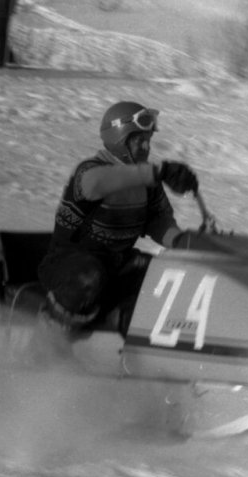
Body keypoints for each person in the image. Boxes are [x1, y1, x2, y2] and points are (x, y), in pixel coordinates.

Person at [35, 100, 199, 350]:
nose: (145, 146)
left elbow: (157, 220)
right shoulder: (91, 171)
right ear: (119, 138)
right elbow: (95, 185)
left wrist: (180, 240)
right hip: (68, 264)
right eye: (138, 139)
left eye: (148, 139)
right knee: (89, 275)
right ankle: (46, 344)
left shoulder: (146, 179)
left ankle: (145, 362)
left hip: (118, 264)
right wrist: (158, 173)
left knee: (165, 280)